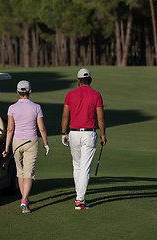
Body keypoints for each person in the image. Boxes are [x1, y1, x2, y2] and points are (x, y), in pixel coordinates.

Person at [61, 68, 107, 210]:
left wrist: (63, 133)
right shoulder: (96, 95)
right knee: (85, 168)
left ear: (78, 80)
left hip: (73, 134)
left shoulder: (70, 94)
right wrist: (103, 134)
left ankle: (80, 197)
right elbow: (100, 118)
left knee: (77, 166)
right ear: (90, 80)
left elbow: (65, 116)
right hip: (89, 134)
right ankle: (80, 200)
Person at [2, 80, 49, 213]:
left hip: (16, 143)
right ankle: (24, 200)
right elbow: (42, 128)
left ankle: (24, 199)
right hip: (31, 142)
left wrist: (6, 148)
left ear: (17, 92)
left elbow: (10, 129)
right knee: (29, 173)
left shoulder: (12, 108)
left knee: (20, 173)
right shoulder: (36, 107)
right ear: (29, 91)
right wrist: (46, 143)